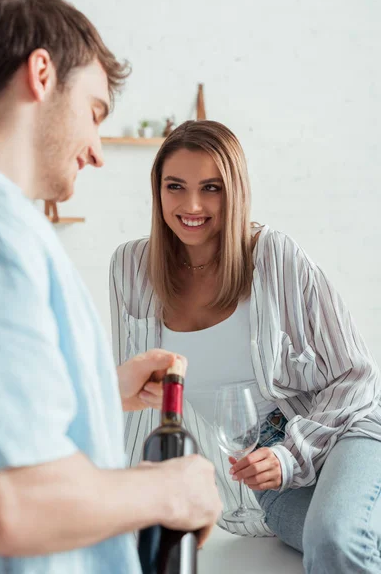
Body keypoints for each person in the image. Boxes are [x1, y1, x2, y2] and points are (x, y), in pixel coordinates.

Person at [0, 0, 222, 573]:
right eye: (93, 112)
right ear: (41, 73)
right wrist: (173, 489)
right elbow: (8, 504)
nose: (97, 151)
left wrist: (100, 391)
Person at [110, 119, 381, 573]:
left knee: (336, 539)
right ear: (157, 191)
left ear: (234, 191)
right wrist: (128, 502)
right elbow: (137, 409)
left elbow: (356, 377)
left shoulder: (275, 256)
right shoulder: (131, 269)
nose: (191, 205)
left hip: (348, 436)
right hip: (270, 483)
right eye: (175, 186)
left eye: (211, 188)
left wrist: (288, 454)